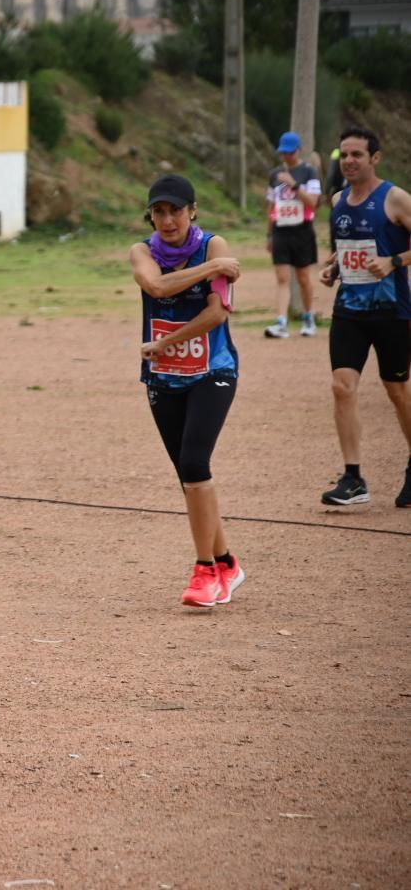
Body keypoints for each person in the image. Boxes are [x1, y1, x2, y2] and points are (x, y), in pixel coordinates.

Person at [130, 173, 247, 608]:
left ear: (192, 211)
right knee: (188, 475)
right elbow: (157, 286)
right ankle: (227, 563)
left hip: (212, 370)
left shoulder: (213, 245)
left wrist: (166, 342)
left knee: (196, 462)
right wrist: (214, 269)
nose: (167, 219)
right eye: (158, 211)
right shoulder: (142, 251)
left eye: (175, 210)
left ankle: (205, 572)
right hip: (163, 377)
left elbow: (216, 314)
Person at [316, 126, 411, 508]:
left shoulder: (396, 199)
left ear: (374, 158)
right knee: (342, 386)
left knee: (397, 391)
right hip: (349, 311)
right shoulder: (338, 200)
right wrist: (335, 269)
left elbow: (392, 252)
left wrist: (394, 261)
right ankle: (353, 478)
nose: (349, 161)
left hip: (392, 311)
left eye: (357, 154)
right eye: (344, 155)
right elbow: (346, 248)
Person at [264, 130, 322, 338]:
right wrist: (269, 234)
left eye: (290, 152)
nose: (286, 156)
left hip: (302, 231)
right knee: (282, 277)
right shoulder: (274, 175)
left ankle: (309, 318)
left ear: (298, 150)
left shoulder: (309, 172)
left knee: (304, 277)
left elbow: (313, 202)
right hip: (281, 230)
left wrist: (294, 184)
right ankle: (281, 322)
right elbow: (272, 206)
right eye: (283, 153)